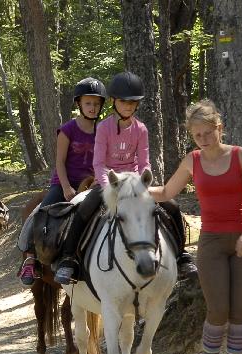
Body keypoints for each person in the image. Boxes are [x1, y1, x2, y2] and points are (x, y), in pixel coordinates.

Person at [148, 99, 242, 354]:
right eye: (198, 135)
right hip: (211, 244)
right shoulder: (192, 160)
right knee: (218, 310)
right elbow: (165, 192)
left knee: (240, 311)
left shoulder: (241, 156)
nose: (204, 140)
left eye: (209, 133)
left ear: (219, 128)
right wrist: (130, 188)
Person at [53, 71, 197, 285]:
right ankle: (69, 259)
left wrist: (139, 183)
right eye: (123, 102)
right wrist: (108, 185)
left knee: (172, 207)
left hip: (134, 182)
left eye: (133, 102)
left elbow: (145, 161)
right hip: (109, 181)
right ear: (114, 102)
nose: (128, 106)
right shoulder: (103, 128)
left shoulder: (141, 129)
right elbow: (99, 163)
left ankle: (182, 256)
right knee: (84, 209)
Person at [16, 78, 106, 286]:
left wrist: (98, 181)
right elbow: (59, 161)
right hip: (65, 181)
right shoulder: (67, 130)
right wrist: (65, 187)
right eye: (88, 103)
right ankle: (30, 257)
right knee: (42, 211)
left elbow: (103, 161)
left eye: (96, 104)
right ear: (79, 104)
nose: (92, 108)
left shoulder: (103, 131)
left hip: (93, 182)